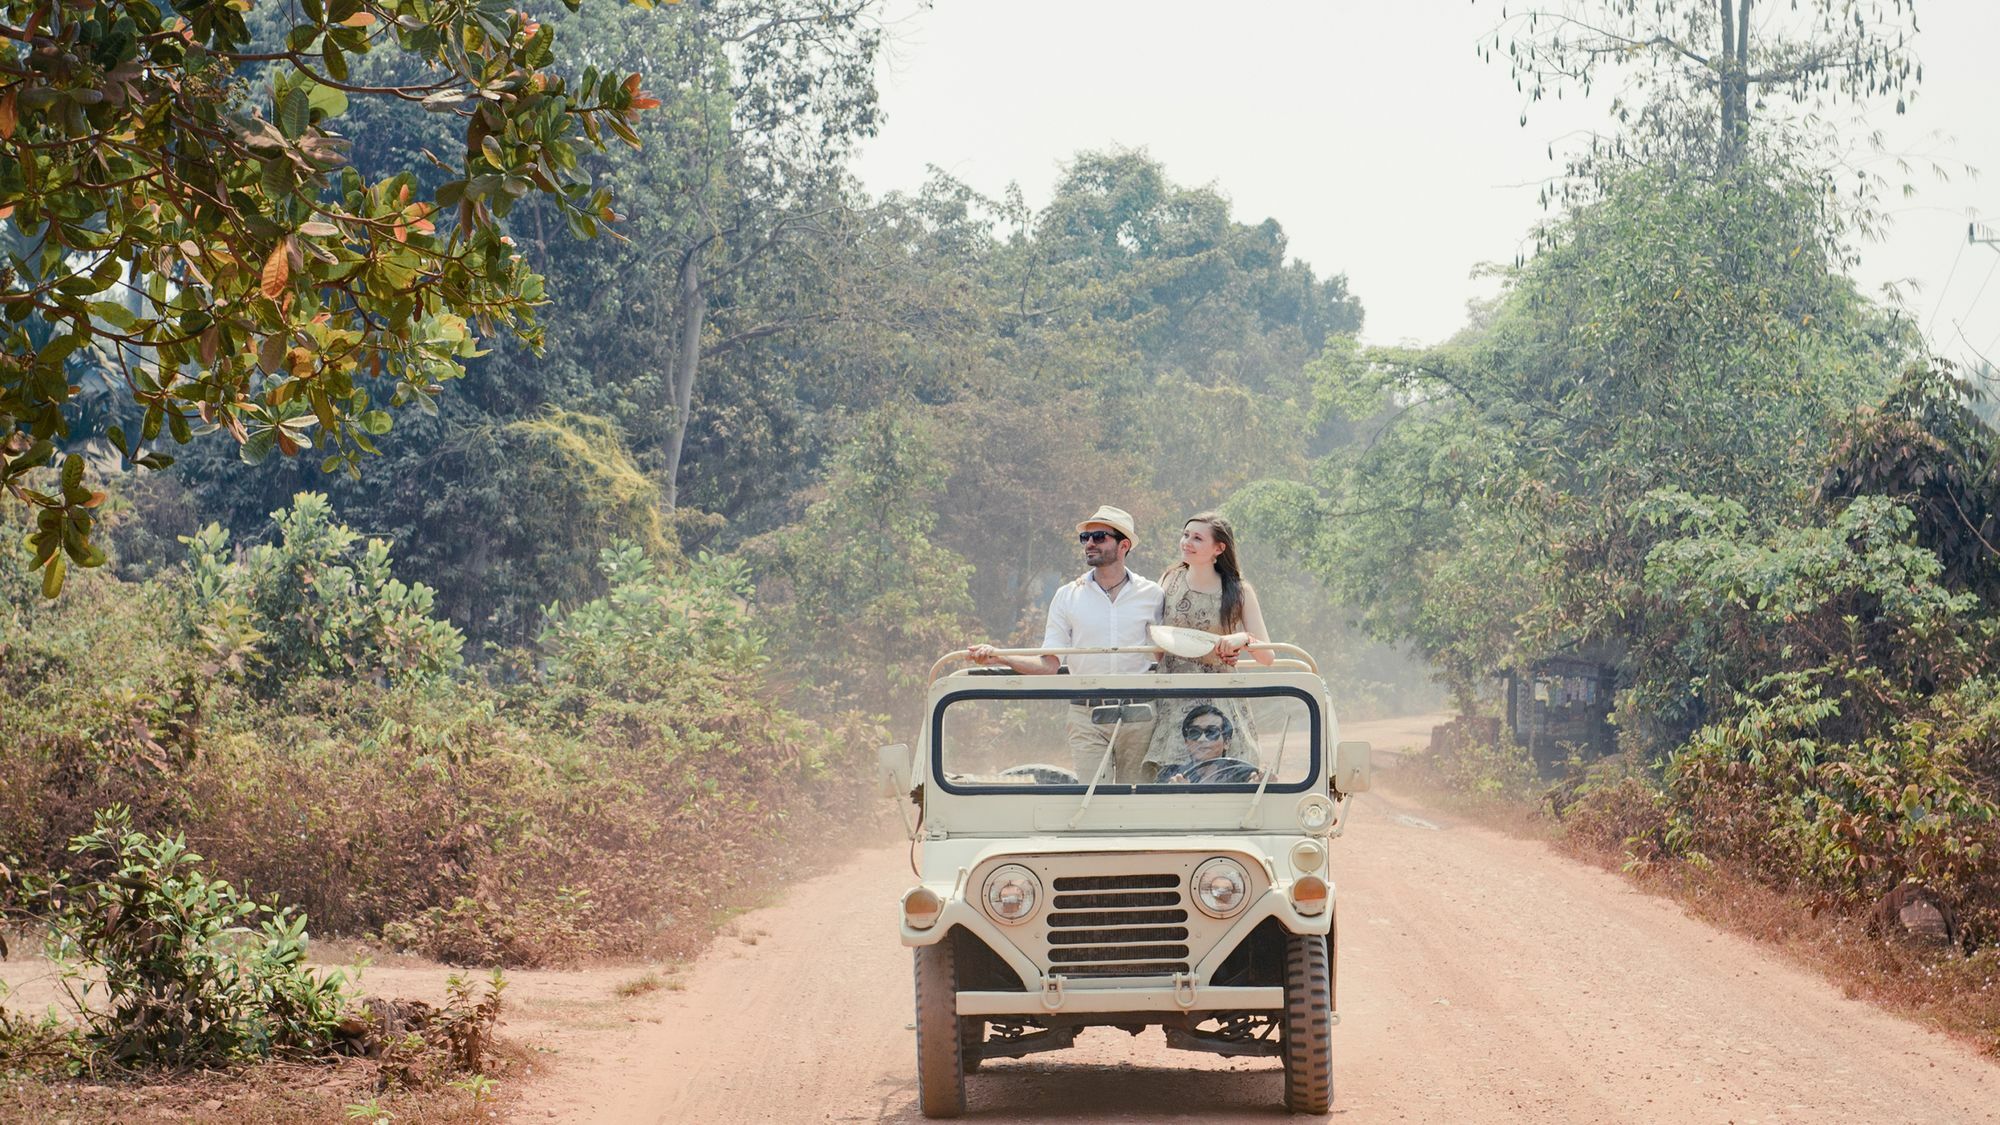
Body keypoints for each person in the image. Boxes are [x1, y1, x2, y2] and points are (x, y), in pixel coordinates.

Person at [968, 504, 1163, 782]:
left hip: (1141, 713)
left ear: (1124, 545)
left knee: (1137, 799)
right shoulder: (1067, 596)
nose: (1090, 544)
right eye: (1085, 538)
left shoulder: (1152, 594)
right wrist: (1000, 657)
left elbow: (1166, 655)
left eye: (1099, 536)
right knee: (1092, 800)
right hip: (1087, 715)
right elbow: (1049, 664)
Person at [1144, 511, 1272, 777]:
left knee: (1227, 775)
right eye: (1185, 535)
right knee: (1170, 777)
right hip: (1172, 694)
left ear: (1219, 548)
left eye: (1197, 538)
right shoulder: (1169, 580)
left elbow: (1267, 656)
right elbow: (1152, 636)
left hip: (1219, 698)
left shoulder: (1238, 591)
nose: (1186, 542)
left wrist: (1242, 639)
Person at [1156, 704, 1261, 784]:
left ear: (1227, 742)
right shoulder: (1170, 774)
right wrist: (1172, 794)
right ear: (1187, 742)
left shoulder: (1243, 776)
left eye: (1211, 732)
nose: (1202, 739)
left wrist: (1263, 782)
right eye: (1195, 733)